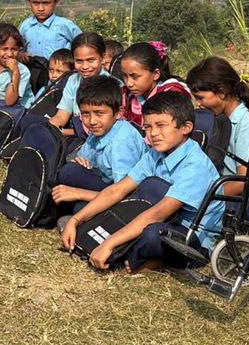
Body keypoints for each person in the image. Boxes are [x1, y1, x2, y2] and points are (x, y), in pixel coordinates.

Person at [61, 90, 222, 273]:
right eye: (148, 127)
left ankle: (146, 259)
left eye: (161, 126)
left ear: (185, 127)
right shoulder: (156, 152)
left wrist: (109, 242)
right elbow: (118, 189)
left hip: (189, 235)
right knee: (81, 208)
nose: (153, 134)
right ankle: (131, 254)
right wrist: (75, 221)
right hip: (151, 214)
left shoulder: (195, 167)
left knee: (154, 235)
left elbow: (157, 214)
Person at [186, 56, 249, 227]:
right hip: (222, 190)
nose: (197, 103)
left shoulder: (246, 125)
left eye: (200, 97)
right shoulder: (218, 118)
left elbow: (243, 181)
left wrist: (203, 196)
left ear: (222, 92)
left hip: (244, 202)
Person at [48, 75, 145, 214]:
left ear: (118, 113)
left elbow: (125, 195)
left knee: (75, 193)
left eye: (99, 113)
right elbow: (83, 158)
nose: (92, 121)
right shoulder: (102, 129)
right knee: (70, 171)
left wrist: (78, 193)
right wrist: (80, 162)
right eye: (85, 114)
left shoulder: (120, 144)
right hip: (107, 185)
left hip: (125, 197)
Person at [18, 0, 81, 90]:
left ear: (56, 2)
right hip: (33, 77)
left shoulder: (64, 25)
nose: (41, 8)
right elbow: (18, 46)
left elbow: (82, 44)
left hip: (59, 78)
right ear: (29, 2)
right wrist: (20, 54)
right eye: (36, 3)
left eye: (46, 3)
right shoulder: (26, 25)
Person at [117, 41, 190, 129]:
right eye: (125, 76)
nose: (129, 83)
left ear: (155, 74)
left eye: (135, 76)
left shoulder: (171, 94)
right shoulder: (126, 97)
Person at [44, 32, 107, 129]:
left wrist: (65, 132)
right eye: (79, 61)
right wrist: (47, 128)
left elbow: (101, 126)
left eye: (90, 60)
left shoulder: (111, 84)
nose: (85, 66)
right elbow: (62, 115)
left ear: (102, 57)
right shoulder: (73, 80)